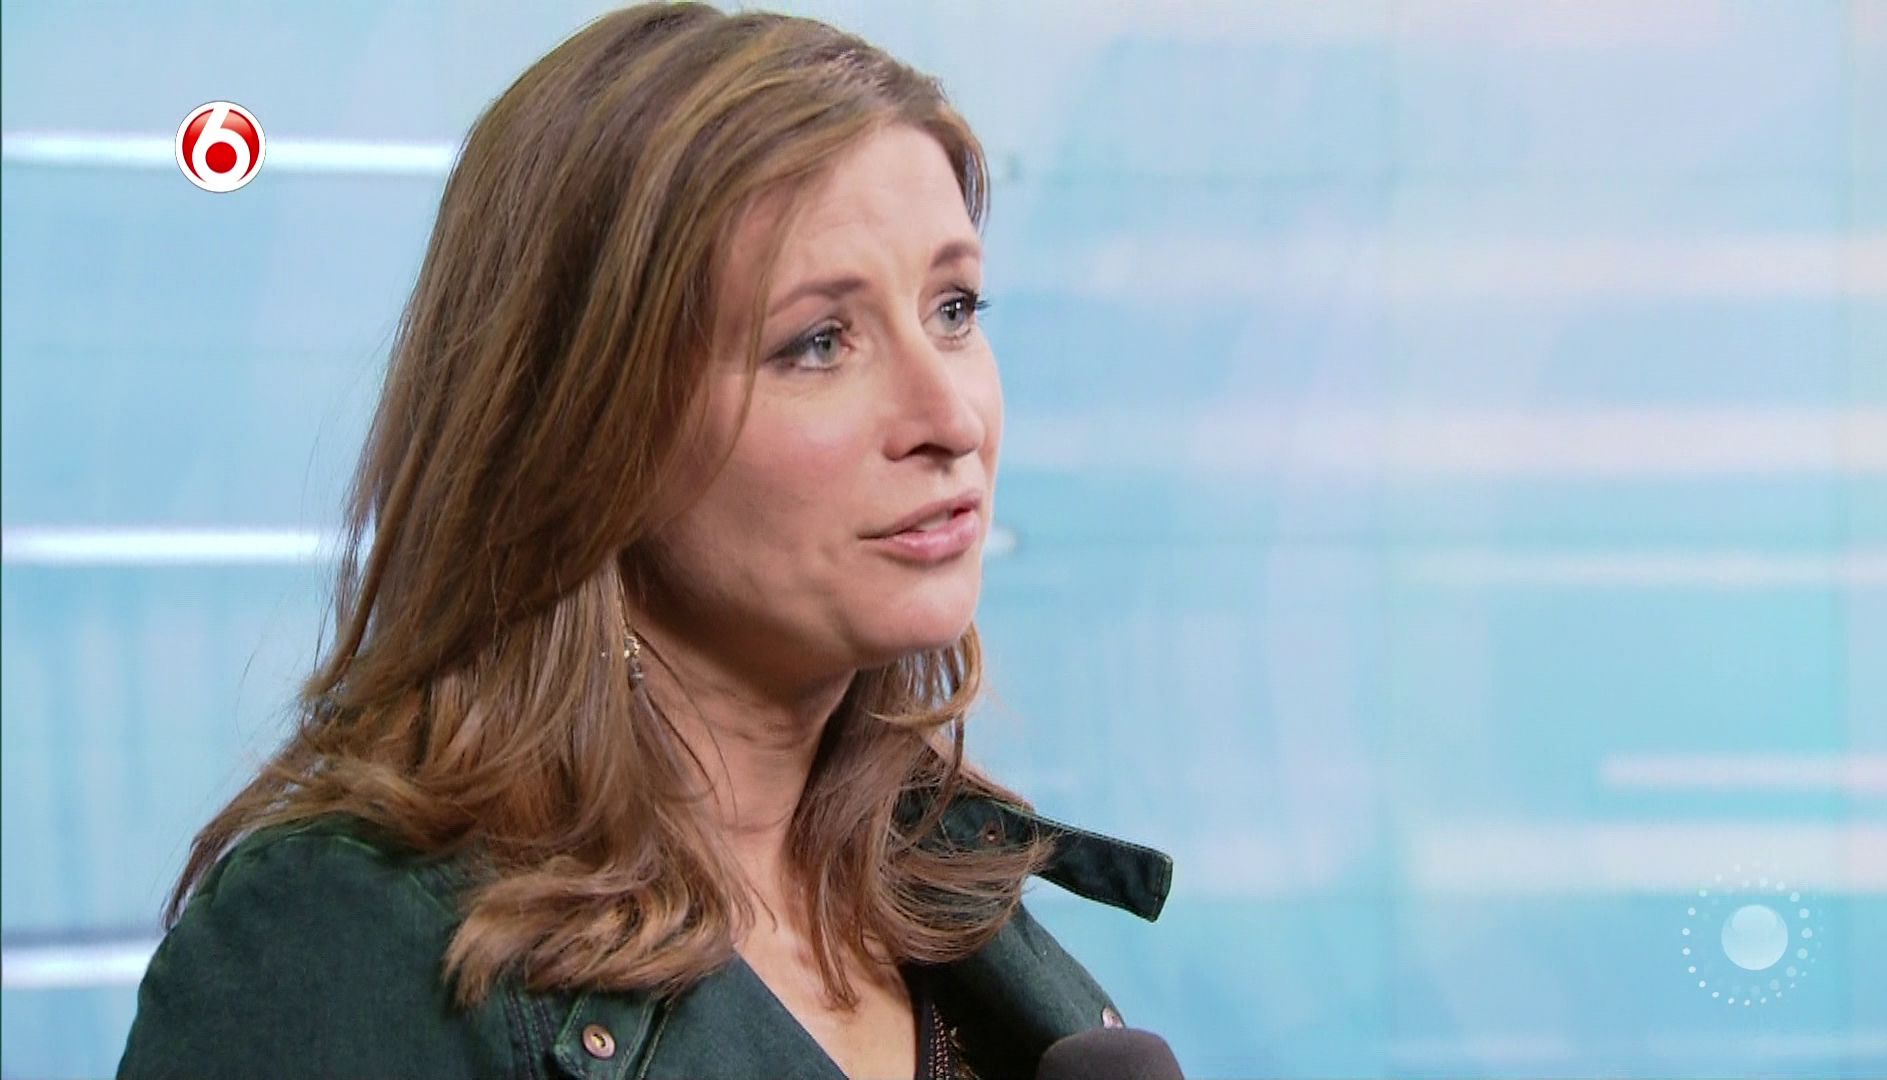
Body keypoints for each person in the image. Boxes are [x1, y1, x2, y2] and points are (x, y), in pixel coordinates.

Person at [116, 4, 1172, 1078]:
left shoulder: (962, 902)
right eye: (818, 342)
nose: (951, 418)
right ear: (584, 423)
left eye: (954, 308)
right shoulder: (340, 945)